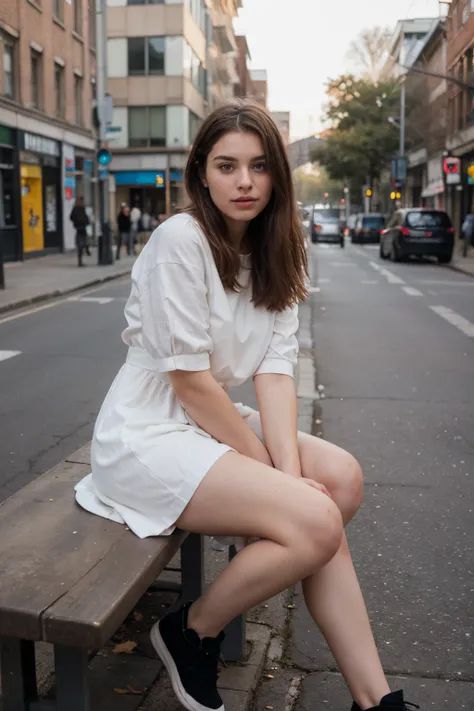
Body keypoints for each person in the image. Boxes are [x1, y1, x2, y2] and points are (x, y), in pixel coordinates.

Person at [74, 100, 418, 711]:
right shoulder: (180, 239)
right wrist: (274, 478)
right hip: (146, 432)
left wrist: (287, 477)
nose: (244, 182)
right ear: (201, 172)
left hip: (203, 429)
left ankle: (377, 701)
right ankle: (192, 630)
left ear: (277, 176)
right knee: (313, 518)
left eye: (259, 167)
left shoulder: (281, 246)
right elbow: (191, 383)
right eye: (227, 165)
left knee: (339, 479)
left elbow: (276, 372)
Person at [69, 196, 90, 267]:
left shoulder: (75, 208)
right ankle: (85, 250)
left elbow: (71, 217)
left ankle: (81, 259)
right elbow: (85, 218)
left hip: (78, 227)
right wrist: (86, 221)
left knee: (81, 241)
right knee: (83, 240)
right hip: (82, 227)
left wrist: (75, 222)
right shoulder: (82, 209)